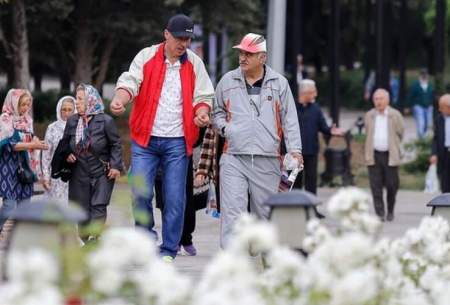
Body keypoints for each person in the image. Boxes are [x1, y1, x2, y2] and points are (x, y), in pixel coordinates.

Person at [110, 14, 214, 261]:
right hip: (145, 140)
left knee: (175, 198)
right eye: (179, 38)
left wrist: (201, 113)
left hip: (178, 141)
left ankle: (169, 248)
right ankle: (146, 241)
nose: (184, 44)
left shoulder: (194, 64)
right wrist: (120, 99)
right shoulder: (146, 56)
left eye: (188, 39)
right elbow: (130, 81)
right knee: (140, 193)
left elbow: (204, 96)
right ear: (166, 34)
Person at [213, 33, 303, 247]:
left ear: (262, 58)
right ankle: (233, 263)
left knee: (266, 215)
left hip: (268, 158)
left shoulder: (279, 83)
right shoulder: (227, 81)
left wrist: (295, 150)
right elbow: (217, 113)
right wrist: (228, 129)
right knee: (232, 214)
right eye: (241, 53)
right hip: (233, 157)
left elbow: (289, 119)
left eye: (249, 54)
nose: (242, 58)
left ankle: (266, 256)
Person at [63, 84, 123, 242]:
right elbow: (64, 145)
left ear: (91, 100)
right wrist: (67, 155)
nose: (77, 102)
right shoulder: (72, 121)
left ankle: (95, 237)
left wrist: (116, 166)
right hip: (78, 173)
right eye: (77, 98)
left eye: (80, 99)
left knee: (99, 206)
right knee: (81, 210)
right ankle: (85, 238)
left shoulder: (105, 121)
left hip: (100, 173)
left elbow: (115, 144)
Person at [0, 89, 48, 235]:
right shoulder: (5, 118)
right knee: (9, 204)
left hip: (25, 166)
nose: (25, 108)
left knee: (25, 204)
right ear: (14, 103)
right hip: (8, 166)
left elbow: (30, 136)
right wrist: (33, 145)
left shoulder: (27, 120)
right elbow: (10, 144)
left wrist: (36, 141)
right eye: (22, 105)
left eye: (28, 105)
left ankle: (20, 235)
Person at [293, 79, 343, 217]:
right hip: (295, 153)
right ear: (305, 92)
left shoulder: (315, 108)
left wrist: (331, 131)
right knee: (296, 183)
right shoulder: (292, 107)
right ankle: (296, 211)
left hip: (311, 152)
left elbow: (323, 127)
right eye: (313, 92)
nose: (315, 94)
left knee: (311, 183)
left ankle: (312, 210)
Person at [364, 88, 404, 221]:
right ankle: (380, 213)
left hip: (390, 155)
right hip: (374, 154)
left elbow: (401, 133)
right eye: (376, 99)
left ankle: (390, 210)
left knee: (392, 185)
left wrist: (395, 146)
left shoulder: (395, 115)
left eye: (381, 99)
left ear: (387, 100)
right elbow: (367, 132)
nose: (378, 101)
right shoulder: (369, 115)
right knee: (375, 186)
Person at [41, 96, 76, 204]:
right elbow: (46, 155)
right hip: (56, 175)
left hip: (75, 175)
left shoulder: (80, 127)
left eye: (70, 110)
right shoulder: (52, 128)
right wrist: (46, 176)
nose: (66, 113)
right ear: (59, 110)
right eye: (64, 109)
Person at [430, 94, 450, 192]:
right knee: (444, 182)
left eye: (442, 107)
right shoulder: (439, 119)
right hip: (444, 153)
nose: (439, 109)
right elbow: (436, 138)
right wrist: (434, 154)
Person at [408, 69, 434, 139]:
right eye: (423, 74)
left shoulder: (430, 84)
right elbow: (410, 96)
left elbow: (432, 95)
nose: (424, 76)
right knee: (421, 122)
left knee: (428, 123)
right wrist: (408, 106)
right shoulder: (415, 85)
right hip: (418, 106)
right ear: (420, 75)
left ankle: (423, 136)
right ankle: (421, 138)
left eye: (425, 74)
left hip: (429, 106)